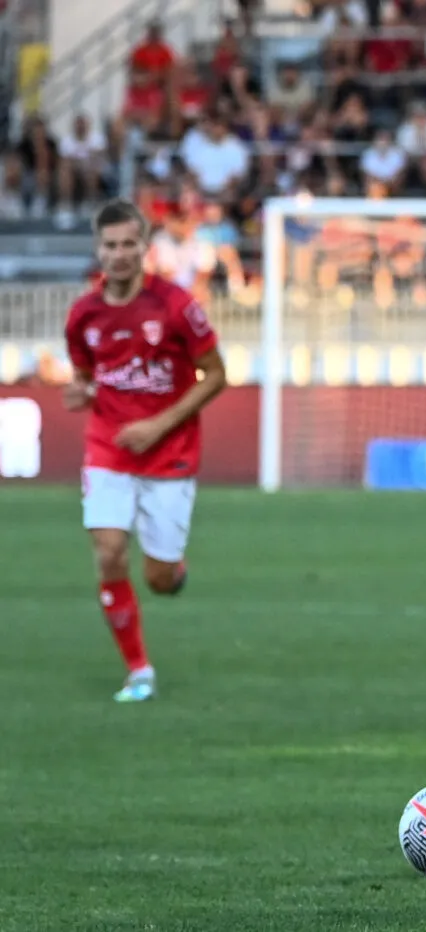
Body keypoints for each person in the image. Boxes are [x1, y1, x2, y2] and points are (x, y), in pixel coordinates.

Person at [63, 199, 227, 702]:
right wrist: (81, 392)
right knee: (109, 551)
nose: (119, 254)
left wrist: (158, 424)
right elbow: (87, 375)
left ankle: (173, 570)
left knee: (159, 580)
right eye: (110, 245)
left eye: (128, 244)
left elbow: (216, 374)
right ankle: (139, 670)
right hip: (108, 449)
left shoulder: (176, 306)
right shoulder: (83, 315)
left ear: (144, 247)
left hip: (170, 452)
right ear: (98, 249)